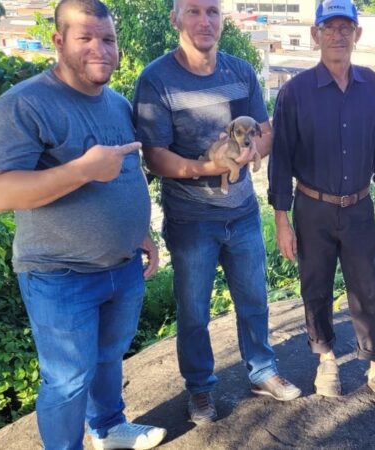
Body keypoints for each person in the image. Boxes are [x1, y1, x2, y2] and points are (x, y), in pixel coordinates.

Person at [0, 0, 167, 448]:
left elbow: (122, 173)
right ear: (59, 41)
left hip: (122, 266)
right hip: (59, 273)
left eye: (108, 39)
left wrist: (139, 231)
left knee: (109, 359)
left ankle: (108, 429)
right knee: (67, 382)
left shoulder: (118, 104)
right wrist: (83, 169)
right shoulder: (24, 103)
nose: (100, 49)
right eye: (86, 37)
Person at [132, 0, 301, 426]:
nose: (204, 21)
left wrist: (249, 155)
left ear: (222, 20)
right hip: (191, 220)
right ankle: (201, 390)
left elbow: (265, 133)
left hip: (241, 211)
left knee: (254, 300)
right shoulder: (156, 79)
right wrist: (213, 167)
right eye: (193, 11)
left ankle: (262, 372)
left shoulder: (241, 71)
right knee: (193, 311)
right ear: (175, 18)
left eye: (212, 11)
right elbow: (155, 157)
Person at [268, 0, 375, 410]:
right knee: (316, 287)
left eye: (346, 27)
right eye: (329, 27)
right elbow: (282, 161)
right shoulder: (295, 92)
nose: (338, 35)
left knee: (367, 289)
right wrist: (282, 219)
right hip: (312, 208)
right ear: (316, 34)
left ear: (357, 35)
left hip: (360, 206)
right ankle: (326, 359)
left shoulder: (371, 85)